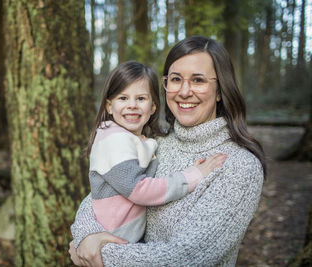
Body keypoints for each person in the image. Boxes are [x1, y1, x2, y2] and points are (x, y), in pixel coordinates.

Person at [69, 36, 266, 267]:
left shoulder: (239, 166)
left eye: (198, 80)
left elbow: (185, 258)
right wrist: (86, 237)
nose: (184, 91)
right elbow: (100, 195)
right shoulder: (155, 143)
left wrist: (97, 255)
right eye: (175, 79)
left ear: (221, 90)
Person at [84, 61, 227, 244]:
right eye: (123, 98)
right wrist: (192, 176)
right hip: (114, 245)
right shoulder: (114, 140)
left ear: (152, 108)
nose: (132, 105)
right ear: (109, 106)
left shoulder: (135, 139)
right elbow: (139, 190)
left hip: (124, 242)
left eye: (141, 99)